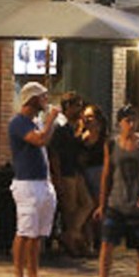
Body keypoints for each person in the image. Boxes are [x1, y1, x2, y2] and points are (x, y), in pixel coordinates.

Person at [83, 105, 139, 277]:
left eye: (133, 120)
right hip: (116, 202)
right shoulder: (112, 145)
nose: (131, 124)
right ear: (120, 123)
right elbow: (107, 174)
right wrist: (102, 203)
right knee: (107, 244)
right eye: (127, 120)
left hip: (137, 205)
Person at [8, 82, 60, 277]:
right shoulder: (19, 123)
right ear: (32, 99)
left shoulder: (35, 122)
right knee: (25, 231)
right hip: (27, 183)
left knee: (37, 233)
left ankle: (34, 276)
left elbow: (44, 140)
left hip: (42, 182)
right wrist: (50, 121)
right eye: (42, 97)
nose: (46, 101)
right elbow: (38, 140)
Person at [50, 92, 91, 257]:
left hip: (76, 171)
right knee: (70, 208)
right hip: (66, 172)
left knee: (87, 203)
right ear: (68, 107)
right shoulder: (60, 127)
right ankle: (73, 241)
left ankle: (71, 234)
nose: (79, 109)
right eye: (77, 106)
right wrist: (57, 176)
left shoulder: (72, 127)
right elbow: (54, 154)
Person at [79, 105, 108, 251]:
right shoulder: (81, 136)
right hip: (84, 175)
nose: (87, 120)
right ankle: (88, 242)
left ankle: (100, 241)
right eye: (85, 116)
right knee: (88, 208)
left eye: (90, 117)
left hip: (99, 175)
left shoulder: (104, 140)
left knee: (100, 207)